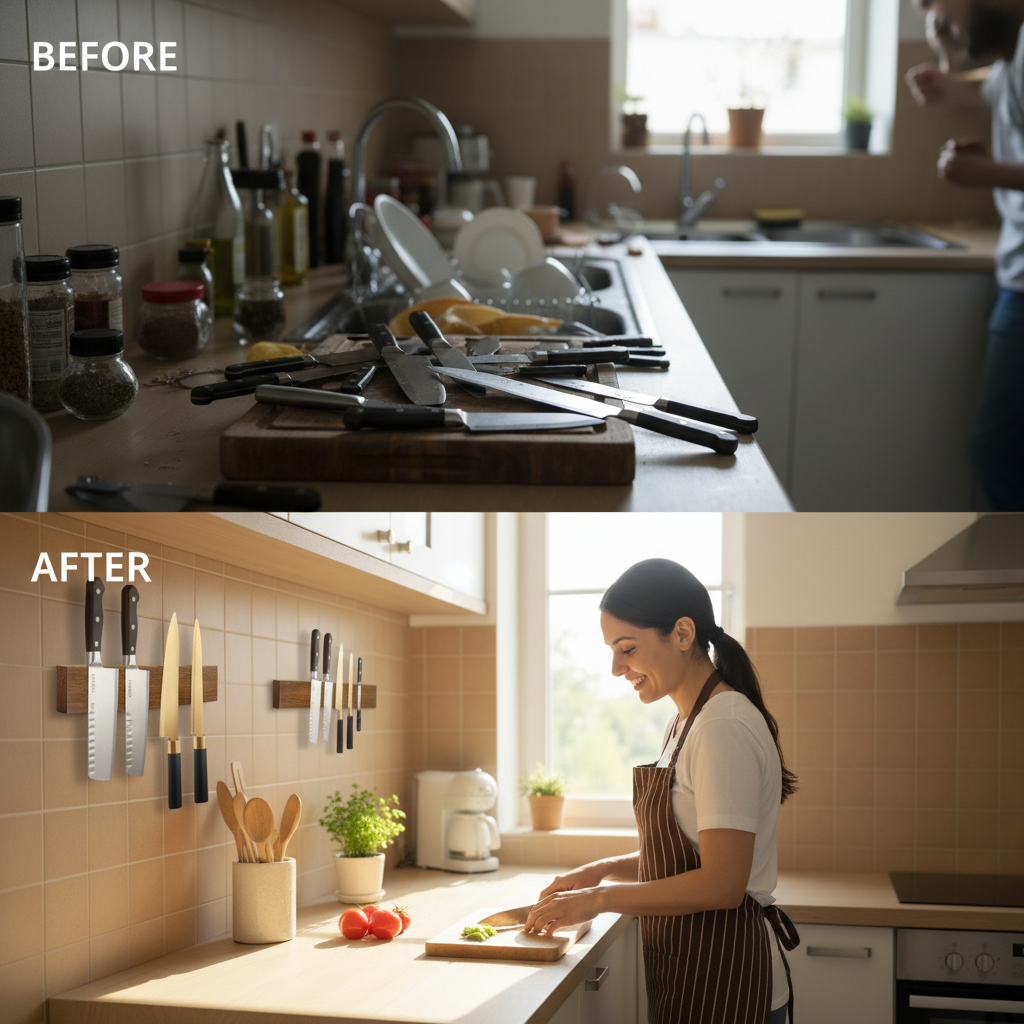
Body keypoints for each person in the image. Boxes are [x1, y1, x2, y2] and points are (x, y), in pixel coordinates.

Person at [524, 559, 800, 1024]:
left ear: (683, 633)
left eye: (626, 648)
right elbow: (687, 856)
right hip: (695, 972)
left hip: (730, 982)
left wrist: (598, 899)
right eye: (612, 651)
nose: (615, 668)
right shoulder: (688, 720)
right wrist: (601, 871)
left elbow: (721, 884)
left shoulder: (722, 727)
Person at [906, 0, 1024, 510]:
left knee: (994, 448)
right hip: (1017, 271)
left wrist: (988, 174)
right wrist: (951, 86)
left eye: (937, 7)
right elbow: (999, 86)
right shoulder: (1013, 54)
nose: (936, 22)